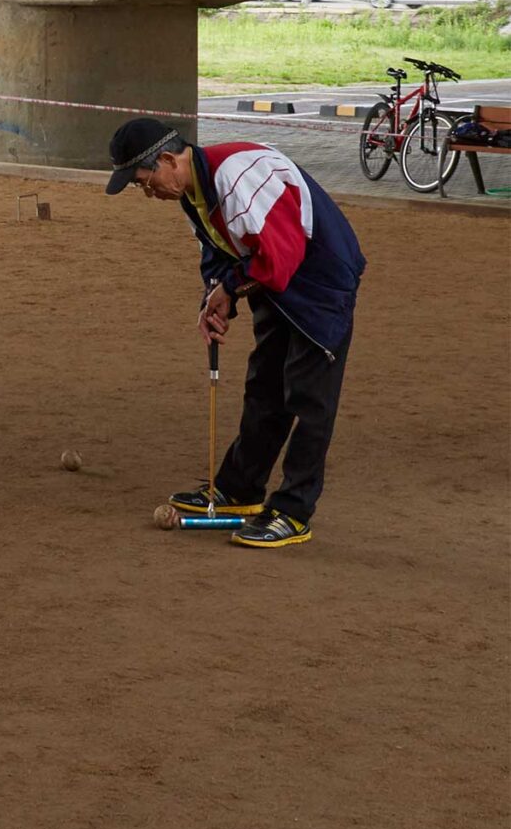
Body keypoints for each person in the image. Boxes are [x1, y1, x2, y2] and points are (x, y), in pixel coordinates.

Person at [106, 114, 365, 549]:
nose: (146, 192)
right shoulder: (193, 196)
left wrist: (230, 289)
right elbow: (218, 254)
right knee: (264, 385)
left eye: (143, 180)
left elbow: (280, 259)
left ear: (168, 160)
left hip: (319, 283)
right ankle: (240, 488)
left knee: (309, 397)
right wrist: (214, 298)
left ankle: (293, 510)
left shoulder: (237, 176)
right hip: (279, 284)